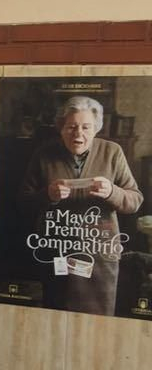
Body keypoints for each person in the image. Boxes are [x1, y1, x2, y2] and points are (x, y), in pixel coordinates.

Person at [17, 95, 144, 315]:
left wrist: (112, 192)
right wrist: (47, 195)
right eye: (71, 127)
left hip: (100, 257)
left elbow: (135, 200)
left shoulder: (112, 152)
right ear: (61, 128)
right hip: (57, 254)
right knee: (55, 315)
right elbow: (22, 204)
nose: (78, 134)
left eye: (86, 127)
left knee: (97, 324)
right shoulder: (44, 154)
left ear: (96, 129)